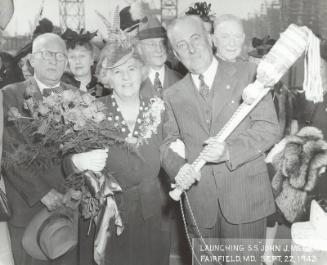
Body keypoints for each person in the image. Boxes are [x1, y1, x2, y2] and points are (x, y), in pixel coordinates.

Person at [160, 15, 280, 264]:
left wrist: (228, 152)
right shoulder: (172, 95)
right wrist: (179, 168)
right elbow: (168, 143)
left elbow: (269, 128)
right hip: (199, 206)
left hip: (245, 201)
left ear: (208, 39)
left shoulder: (250, 74)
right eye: (182, 45)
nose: (191, 48)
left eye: (195, 39)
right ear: (174, 52)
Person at [64, 41, 170, 265]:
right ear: (106, 77)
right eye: (117, 72)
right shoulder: (93, 111)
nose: (126, 77)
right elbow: (65, 164)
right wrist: (77, 160)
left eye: (131, 68)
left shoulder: (159, 108)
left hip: (153, 213)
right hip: (110, 216)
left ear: (142, 71)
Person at [1, 33, 77, 265]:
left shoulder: (81, 98)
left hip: (70, 210)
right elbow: (8, 153)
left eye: (60, 56)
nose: (54, 60)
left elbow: (88, 150)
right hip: (27, 209)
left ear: (66, 62)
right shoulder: (8, 96)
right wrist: (43, 192)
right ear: (32, 60)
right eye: (46, 54)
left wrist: (78, 190)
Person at [136, 16, 181, 99]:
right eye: (152, 44)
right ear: (140, 49)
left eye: (162, 43)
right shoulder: (132, 82)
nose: (159, 49)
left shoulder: (181, 80)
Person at [61, 28, 110, 97]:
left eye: (82, 56)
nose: (77, 61)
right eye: (72, 57)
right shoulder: (60, 89)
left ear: (92, 60)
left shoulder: (105, 90)